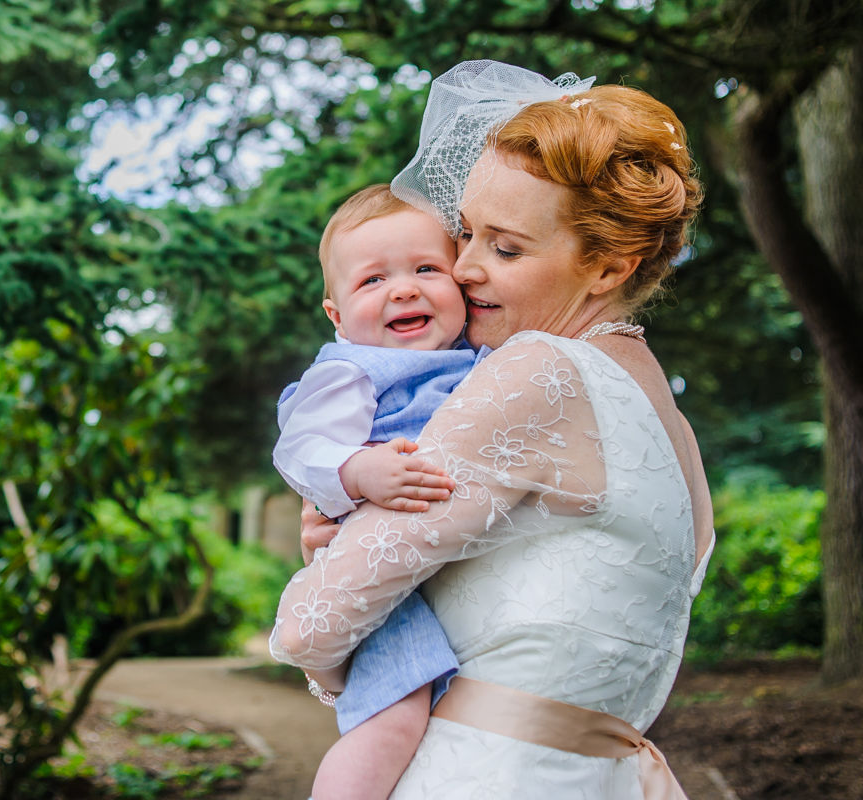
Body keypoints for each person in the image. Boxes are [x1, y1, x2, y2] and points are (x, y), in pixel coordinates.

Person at [270, 60, 715, 799]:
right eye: (466, 234)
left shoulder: (538, 371)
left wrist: (327, 553)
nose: (463, 269)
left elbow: (310, 627)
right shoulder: (665, 417)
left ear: (607, 267)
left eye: (504, 248)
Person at [273, 184, 488, 800]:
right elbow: (301, 450)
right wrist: (359, 473)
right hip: (380, 573)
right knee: (394, 714)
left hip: (442, 566)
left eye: (427, 269)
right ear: (337, 316)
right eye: (372, 281)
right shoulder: (350, 372)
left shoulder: (482, 358)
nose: (403, 289)